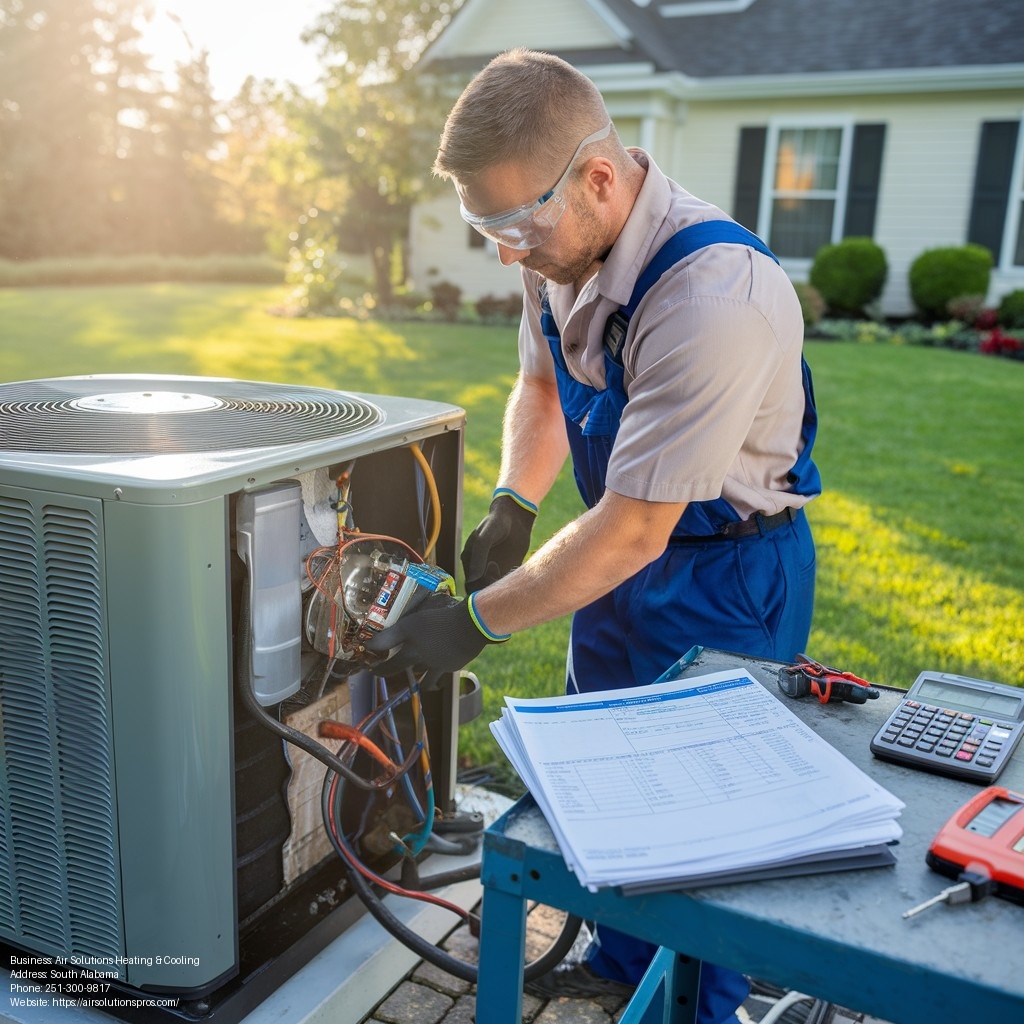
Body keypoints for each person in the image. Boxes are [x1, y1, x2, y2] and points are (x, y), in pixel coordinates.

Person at [366, 48, 820, 1024]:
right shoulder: (558, 253)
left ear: (599, 179)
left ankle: (702, 1009)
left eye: (514, 224)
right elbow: (540, 387)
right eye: (482, 226)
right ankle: (621, 969)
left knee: (700, 821)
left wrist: (475, 622)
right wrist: (512, 503)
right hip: (618, 556)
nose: (503, 251)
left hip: (724, 572)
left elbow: (632, 529)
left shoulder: (712, 297)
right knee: (607, 782)